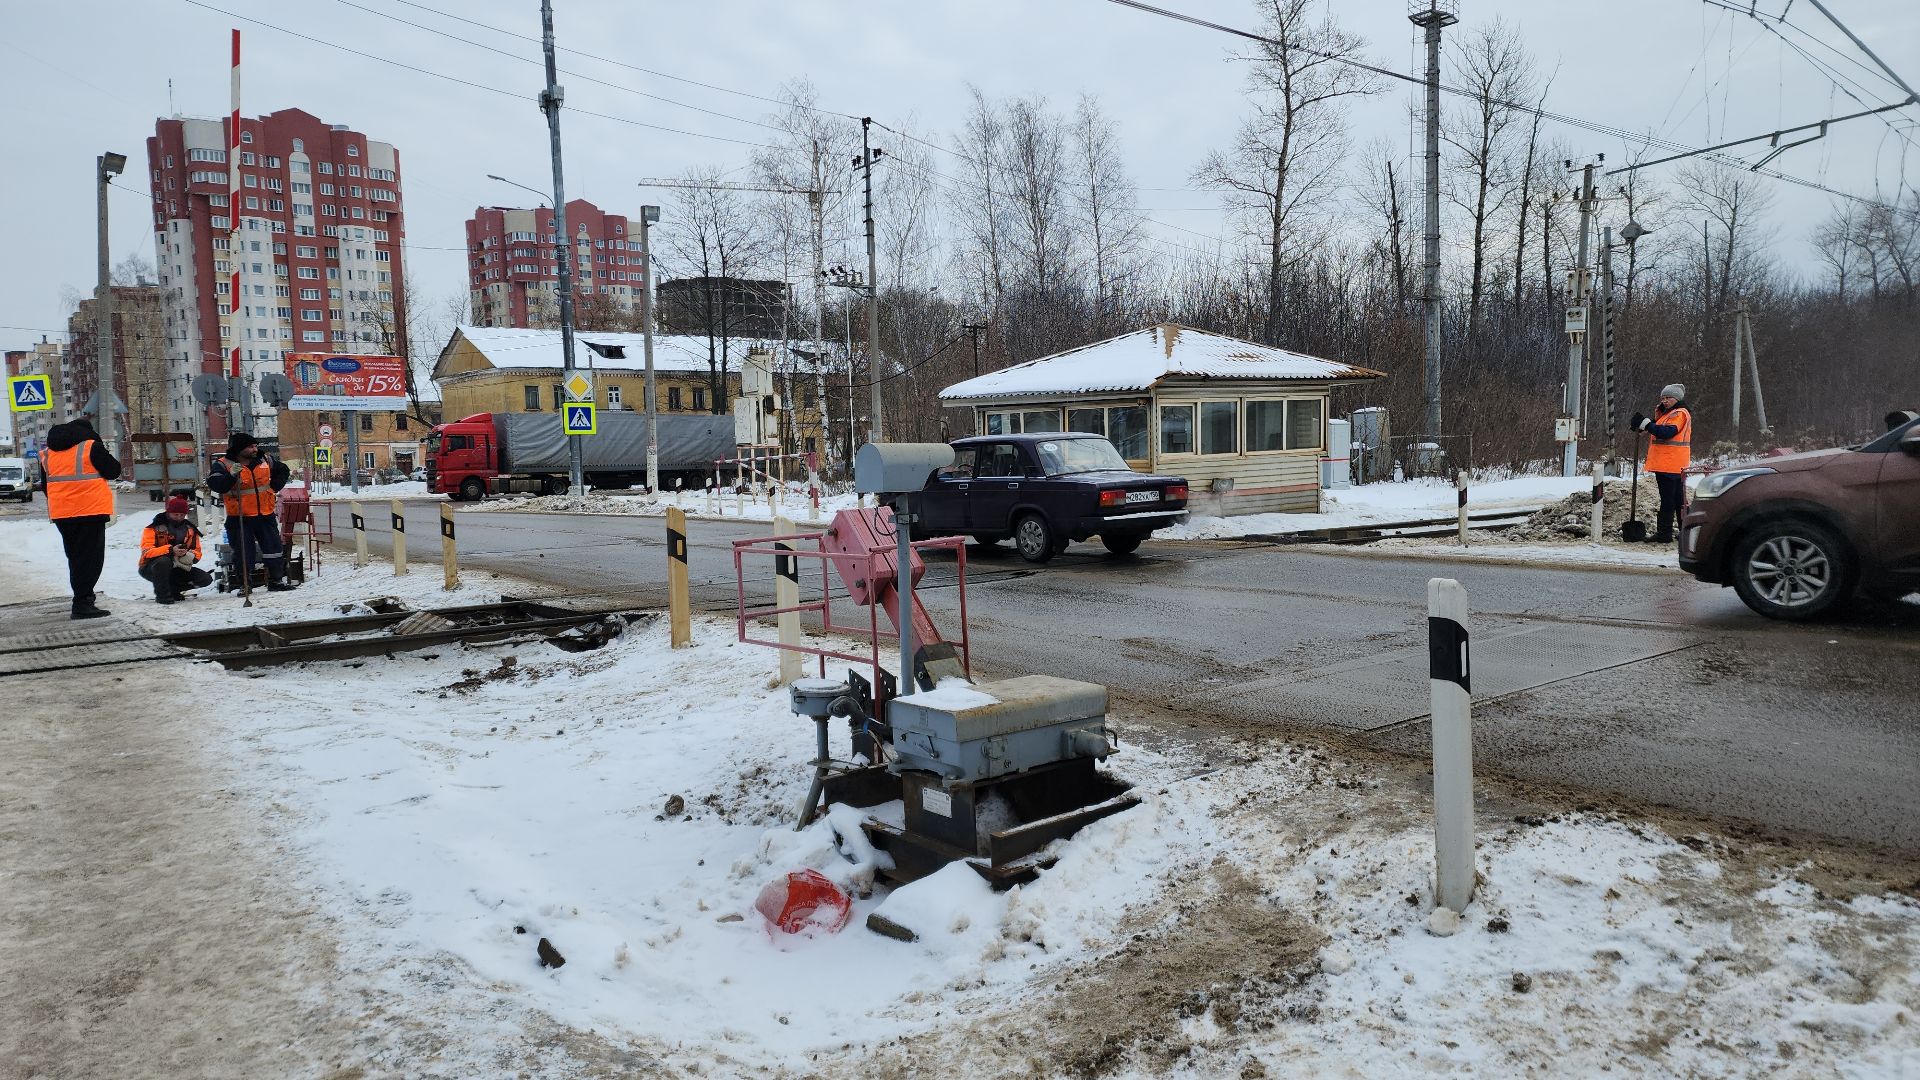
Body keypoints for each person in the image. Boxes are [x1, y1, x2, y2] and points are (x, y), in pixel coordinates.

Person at [38, 417, 121, 619]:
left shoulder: (48, 453)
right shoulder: (90, 447)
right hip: (90, 511)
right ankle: (83, 603)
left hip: (62, 514)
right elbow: (114, 470)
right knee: (90, 559)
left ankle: (82, 599)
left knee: (76, 558)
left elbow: (45, 485)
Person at [207, 432, 294, 592]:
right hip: (240, 516)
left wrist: (275, 485)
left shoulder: (265, 460)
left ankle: (276, 580)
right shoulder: (224, 464)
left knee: (273, 549)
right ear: (239, 449)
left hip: (265, 513)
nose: (255, 449)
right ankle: (245, 585)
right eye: (251, 447)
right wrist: (232, 476)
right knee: (243, 552)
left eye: (255, 446)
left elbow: (283, 470)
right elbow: (216, 485)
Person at [1631, 383, 1693, 544]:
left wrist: (1647, 424)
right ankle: (1687, 531)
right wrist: (1643, 426)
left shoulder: (1679, 413)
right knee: (1678, 499)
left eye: (1669, 398)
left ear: (1677, 399)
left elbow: (1667, 432)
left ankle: (1665, 533)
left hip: (1670, 463)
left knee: (1668, 500)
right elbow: (1656, 427)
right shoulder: (1667, 413)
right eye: (1663, 398)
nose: (1665, 401)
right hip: (1671, 463)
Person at [139, 496, 213, 604]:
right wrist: (170, 550)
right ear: (168, 513)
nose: (179, 517)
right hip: (151, 567)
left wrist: (189, 555)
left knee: (205, 579)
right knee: (164, 562)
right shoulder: (153, 528)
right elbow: (147, 552)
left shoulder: (190, 529)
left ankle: (174, 590)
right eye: (175, 514)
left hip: (179, 566)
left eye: (182, 515)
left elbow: (197, 552)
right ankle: (163, 596)